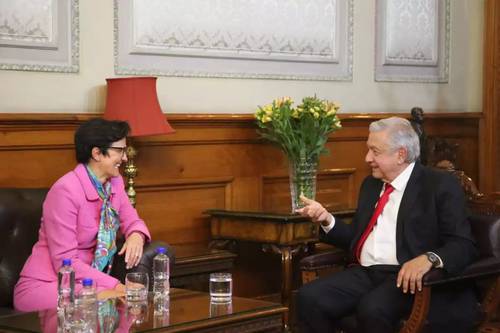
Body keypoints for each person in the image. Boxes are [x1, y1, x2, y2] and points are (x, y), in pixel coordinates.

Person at [296, 117, 478, 333]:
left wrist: (429, 258)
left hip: (406, 278)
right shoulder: (371, 185)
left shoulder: (438, 185)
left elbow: (463, 244)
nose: (367, 158)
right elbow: (356, 239)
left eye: (375, 151)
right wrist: (326, 219)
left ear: (400, 154)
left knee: (372, 308)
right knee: (308, 298)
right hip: (366, 273)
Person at [14, 118, 151, 312]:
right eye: (120, 151)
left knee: (124, 300)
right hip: (48, 285)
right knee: (120, 298)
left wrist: (136, 234)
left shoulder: (116, 183)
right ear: (97, 153)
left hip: (91, 285)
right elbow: (64, 262)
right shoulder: (65, 191)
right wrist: (116, 286)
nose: (125, 158)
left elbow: (132, 220)